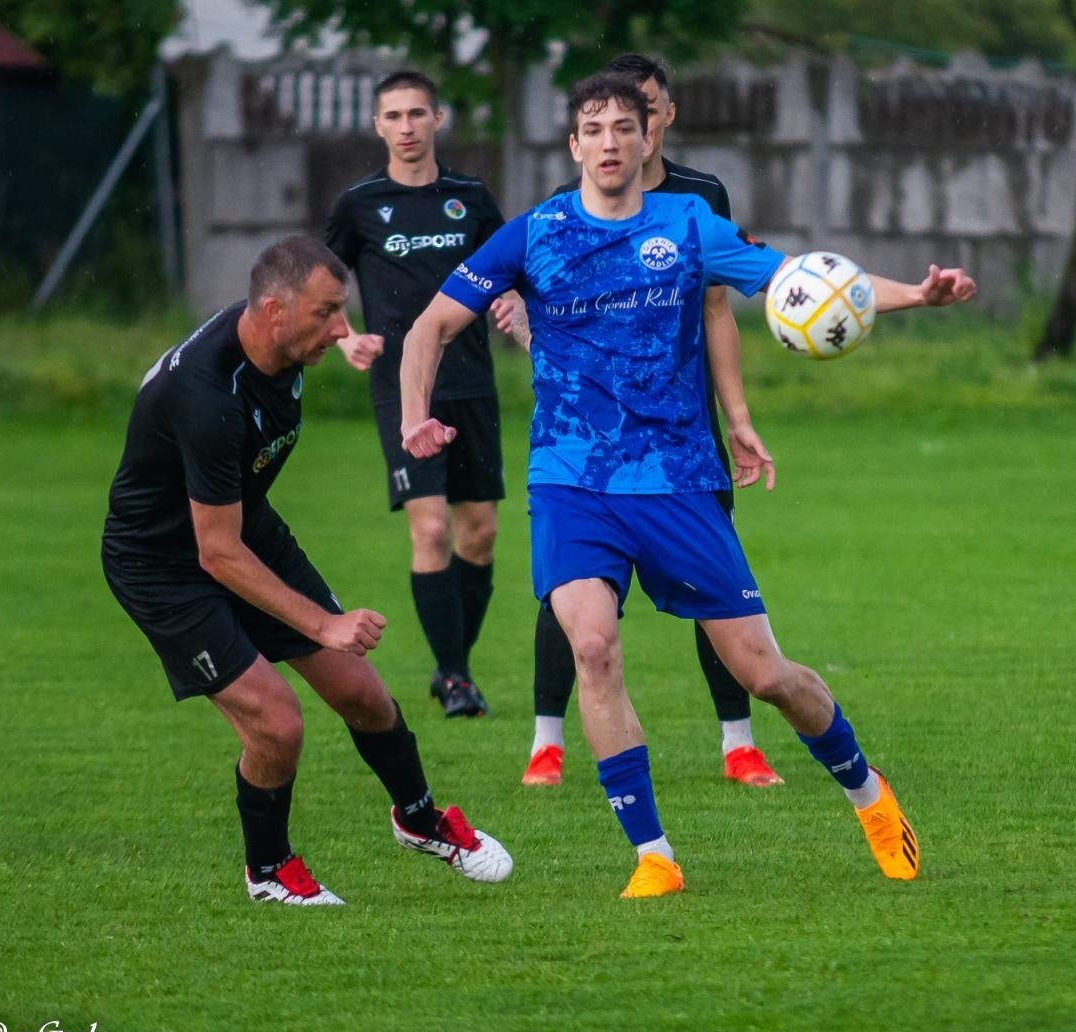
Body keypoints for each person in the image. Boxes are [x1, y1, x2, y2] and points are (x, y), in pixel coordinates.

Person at [400, 74, 976, 898]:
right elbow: (431, 324)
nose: (607, 141)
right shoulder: (535, 235)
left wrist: (915, 294)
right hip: (571, 480)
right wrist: (413, 417)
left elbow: (801, 282)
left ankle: (869, 796)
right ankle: (655, 856)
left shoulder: (688, 225)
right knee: (593, 646)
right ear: (573, 147)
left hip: (677, 479)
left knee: (765, 674)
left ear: (647, 140)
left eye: (621, 128)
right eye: (591, 128)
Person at [101, 237, 512, 905]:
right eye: (326, 314)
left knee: (363, 693)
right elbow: (216, 552)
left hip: (243, 525)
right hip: (163, 564)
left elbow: (236, 528)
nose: (339, 328)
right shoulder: (209, 396)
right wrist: (323, 622)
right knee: (278, 722)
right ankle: (268, 872)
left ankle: (418, 818)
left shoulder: (277, 343)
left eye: (341, 311)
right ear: (273, 311)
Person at [498, 54, 782, 790]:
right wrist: (525, 325)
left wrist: (739, 416)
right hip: (584, 445)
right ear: (583, 138)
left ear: (664, 118)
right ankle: (547, 741)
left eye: (643, 113)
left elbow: (718, 309)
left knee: (713, 593)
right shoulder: (571, 206)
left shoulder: (698, 198)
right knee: (575, 600)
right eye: (608, 122)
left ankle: (739, 742)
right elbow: (550, 314)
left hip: (681, 435)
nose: (628, 131)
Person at [325, 70, 505, 719]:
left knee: (478, 533)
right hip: (402, 392)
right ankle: (456, 677)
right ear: (378, 125)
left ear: (437, 120)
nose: (405, 127)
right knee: (430, 530)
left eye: (416, 114)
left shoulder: (471, 198)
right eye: (393, 116)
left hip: (472, 383)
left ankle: (454, 664)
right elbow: (322, 282)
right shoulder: (359, 204)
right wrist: (344, 336)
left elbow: (508, 270)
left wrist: (514, 305)